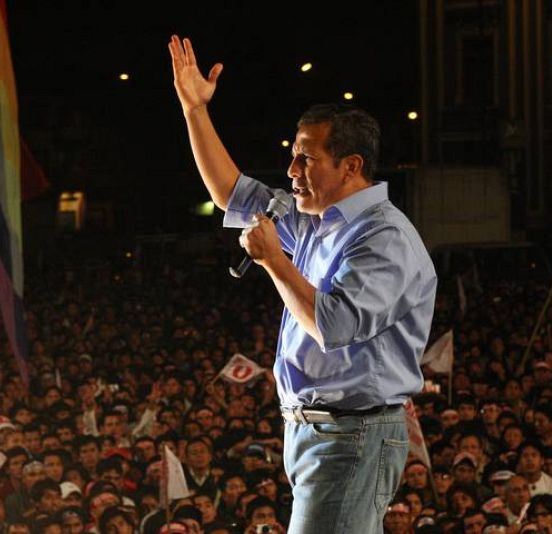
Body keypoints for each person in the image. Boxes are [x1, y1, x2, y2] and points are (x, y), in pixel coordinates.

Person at [168, 35, 437, 533]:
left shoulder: (383, 238)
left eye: (306, 159)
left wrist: (273, 260)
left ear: (350, 166)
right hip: (319, 433)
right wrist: (194, 111)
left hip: (353, 435)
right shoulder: (319, 220)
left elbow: (333, 325)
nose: (291, 171)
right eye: (293, 156)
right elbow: (231, 192)